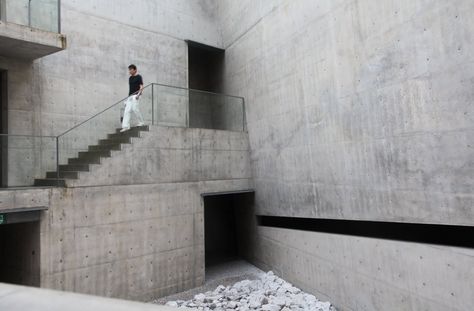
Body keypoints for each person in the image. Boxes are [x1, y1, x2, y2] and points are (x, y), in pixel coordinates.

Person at [120, 64, 145, 132]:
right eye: (129, 70)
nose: (130, 71)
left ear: (135, 70)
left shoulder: (139, 77)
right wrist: (127, 99)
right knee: (127, 111)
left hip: (136, 95)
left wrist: (138, 94)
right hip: (130, 96)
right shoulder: (130, 78)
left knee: (135, 109)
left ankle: (141, 122)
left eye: (131, 69)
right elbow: (131, 88)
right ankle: (126, 126)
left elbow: (141, 86)